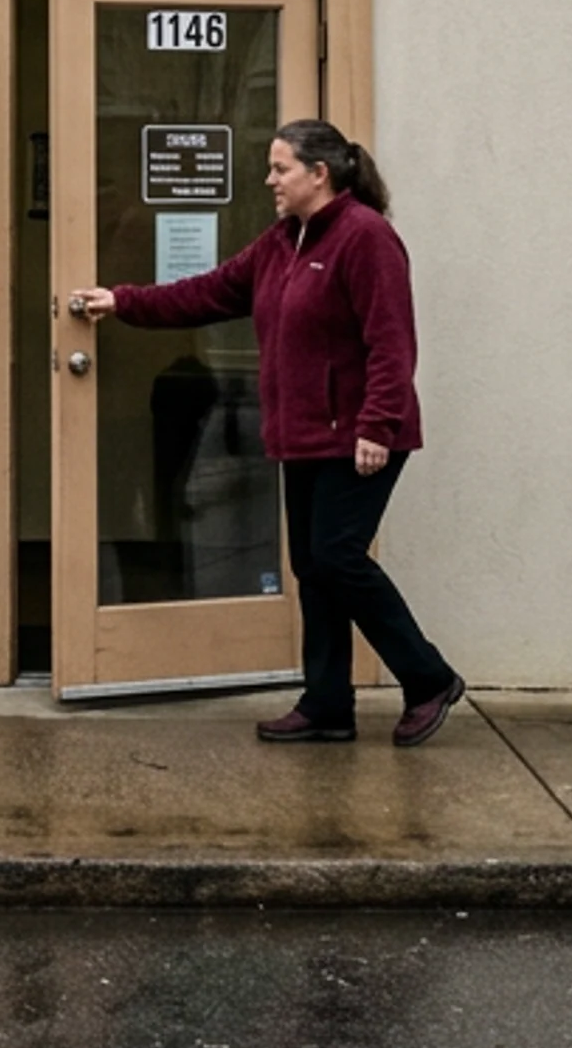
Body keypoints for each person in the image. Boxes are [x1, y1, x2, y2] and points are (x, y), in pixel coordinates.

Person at [72, 120, 467, 747]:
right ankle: (327, 703)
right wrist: (125, 301)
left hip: (360, 435)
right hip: (304, 436)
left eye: (280, 168)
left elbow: (392, 343)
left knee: (338, 558)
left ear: (321, 173)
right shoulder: (283, 242)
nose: (269, 180)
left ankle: (428, 678)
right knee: (315, 566)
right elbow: (208, 292)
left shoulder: (367, 238)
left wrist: (378, 425)